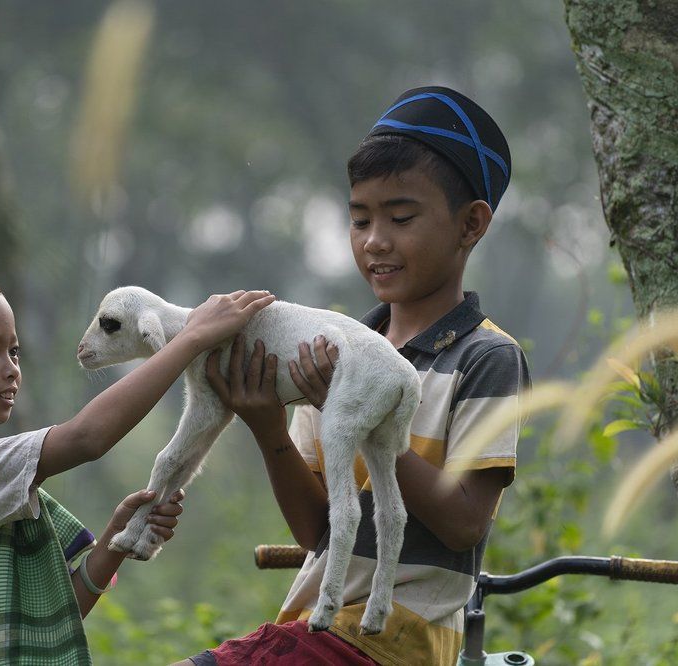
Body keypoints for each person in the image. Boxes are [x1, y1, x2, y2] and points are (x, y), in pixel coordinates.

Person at [182, 86, 530, 666]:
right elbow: (316, 526)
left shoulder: (486, 357)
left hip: (396, 639)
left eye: (401, 217)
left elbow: (465, 522)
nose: (375, 241)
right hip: (317, 626)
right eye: (360, 219)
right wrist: (266, 424)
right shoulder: (332, 349)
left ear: (470, 225)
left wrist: (368, 423)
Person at [0, 245, 275, 665]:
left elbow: (57, 614)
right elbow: (86, 438)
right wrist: (192, 338)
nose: (11, 368)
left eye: (14, 351)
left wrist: (114, 539)